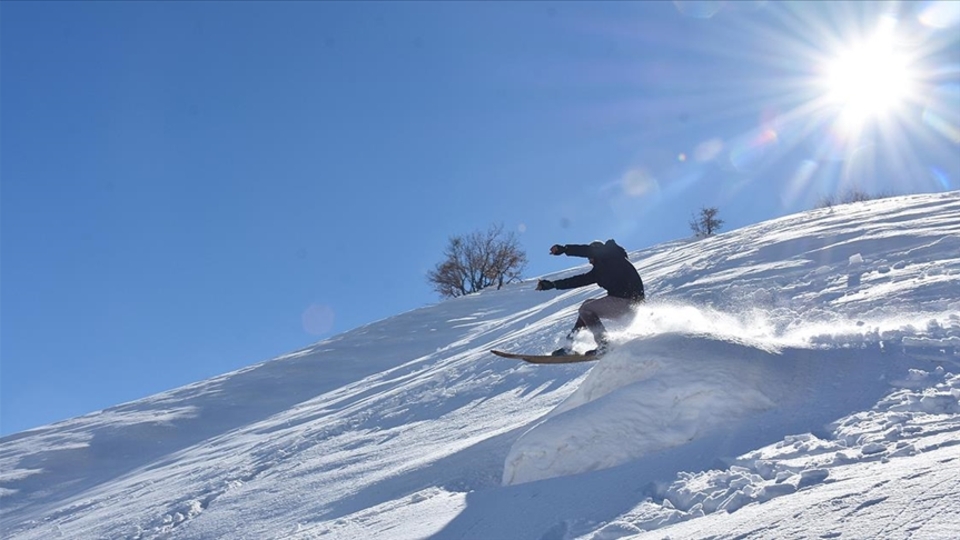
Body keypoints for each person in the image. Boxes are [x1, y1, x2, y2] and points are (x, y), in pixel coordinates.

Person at [536, 239, 644, 356]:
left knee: (586, 309)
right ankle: (569, 346)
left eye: (590, 258)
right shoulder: (599, 271)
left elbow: (586, 250)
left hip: (629, 303)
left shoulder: (611, 255)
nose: (589, 262)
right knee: (586, 305)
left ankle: (604, 344)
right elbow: (578, 280)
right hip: (627, 306)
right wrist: (553, 284)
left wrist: (565, 249)